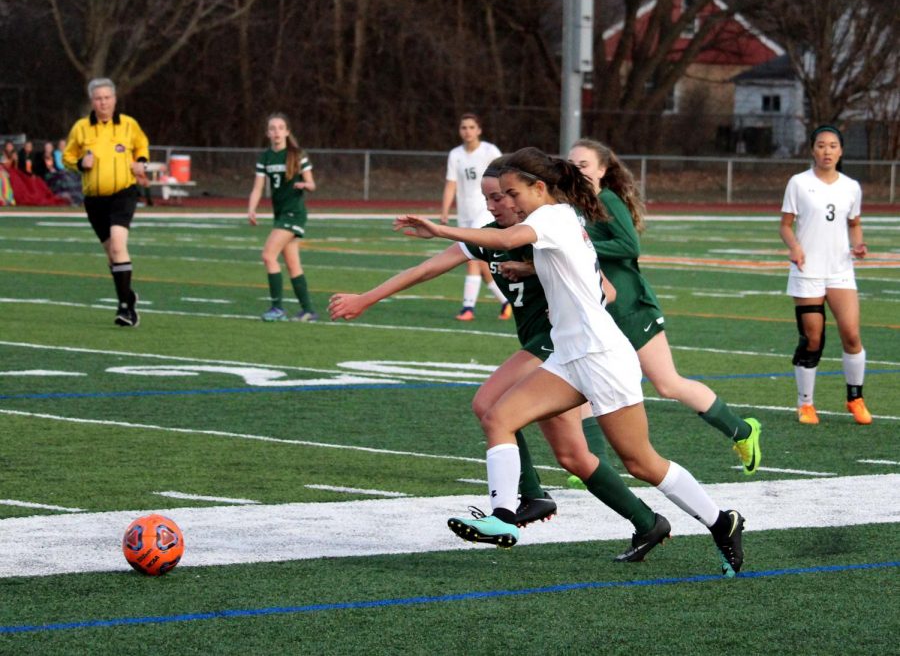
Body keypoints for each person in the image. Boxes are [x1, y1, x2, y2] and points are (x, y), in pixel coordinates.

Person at [395, 147, 745, 577]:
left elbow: (505, 241)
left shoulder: (552, 216)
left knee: (641, 462)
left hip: (601, 356)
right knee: (498, 416)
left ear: (539, 188)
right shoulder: (549, 220)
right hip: (569, 355)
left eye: (512, 193)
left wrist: (440, 229)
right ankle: (503, 518)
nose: (506, 202)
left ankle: (721, 520)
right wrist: (528, 270)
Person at [331, 156, 672, 562]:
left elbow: (608, 292)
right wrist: (366, 299)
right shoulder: (490, 235)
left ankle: (525, 500)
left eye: (502, 196)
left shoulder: (541, 230)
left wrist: (533, 272)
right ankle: (646, 522)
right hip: (548, 345)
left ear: (524, 195)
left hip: (560, 345)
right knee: (573, 457)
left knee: (489, 404)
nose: (495, 206)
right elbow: (428, 268)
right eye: (489, 198)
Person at [562, 139, 761, 475]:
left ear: (602, 169)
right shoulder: (571, 207)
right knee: (582, 387)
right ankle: (594, 467)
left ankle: (743, 430)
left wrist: (582, 244)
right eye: (571, 164)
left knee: (667, 384)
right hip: (597, 312)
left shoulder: (607, 199)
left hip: (631, 307)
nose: (576, 170)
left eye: (583, 164)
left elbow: (628, 245)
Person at [779, 125, 871, 425]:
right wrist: (794, 247)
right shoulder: (798, 183)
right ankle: (806, 404)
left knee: (852, 334)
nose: (827, 151)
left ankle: (855, 398)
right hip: (807, 272)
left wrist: (858, 245)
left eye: (833, 145)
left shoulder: (851, 187)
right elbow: (785, 225)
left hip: (840, 270)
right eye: (821, 145)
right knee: (812, 338)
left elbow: (854, 223)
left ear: (841, 151)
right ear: (812, 149)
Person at [62, 77, 150, 326]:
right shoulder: (81, 128)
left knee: (119, 244)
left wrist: (140, 161)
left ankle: (125, 310)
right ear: (92, 101)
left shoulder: (128, 124)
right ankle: (128, 296)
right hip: (94, 199)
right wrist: (80, 163)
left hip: (123, 193)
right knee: (111, 253)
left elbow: (141, 145)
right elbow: (68, 156)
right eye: (98, 98)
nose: (103, 102)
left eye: (107, 98)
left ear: (114, 99)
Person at [247, 112, 318, 322]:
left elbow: (312, 184)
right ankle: (308, 311)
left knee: (268, 256)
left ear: (287, 131)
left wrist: (305, 185)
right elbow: (258, 187)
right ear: (267, 133)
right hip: (280, 215)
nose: (276, 132)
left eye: (280, 128)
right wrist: (251, 209)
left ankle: (277, 308)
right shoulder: (266, 157)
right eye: (272, 128)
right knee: (293, 264)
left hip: (294, 213)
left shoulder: (297, 155)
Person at [440, 113, 510, 321]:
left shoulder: (490, 151)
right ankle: (506, 301)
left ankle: (467, 308)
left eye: (471, 127)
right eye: (464, 127)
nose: (467, 131)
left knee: (470, 255)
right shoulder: (455, 154)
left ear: (479, 130)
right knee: (479, 263)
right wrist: (444, 210)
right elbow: (451, 183)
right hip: (465, 213)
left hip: (485, 210)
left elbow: (504, 177)